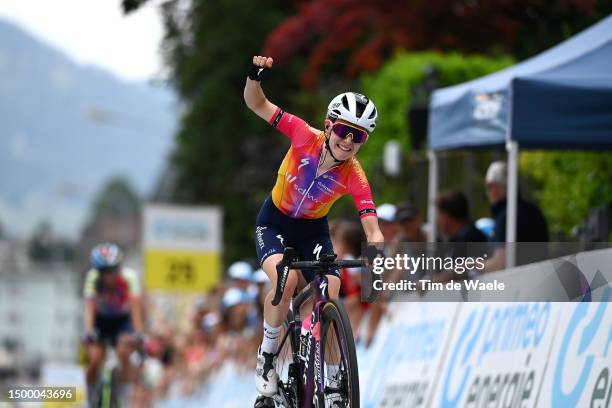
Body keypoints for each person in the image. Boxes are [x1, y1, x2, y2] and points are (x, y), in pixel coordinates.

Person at [244, 55, 384, 399]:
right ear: (328, 125)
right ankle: (267, 355)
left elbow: (371, 223)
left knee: (331, 287)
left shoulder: (354, 173)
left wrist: (376, 249)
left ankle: (333, 377)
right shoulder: (302, 135)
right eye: (343, 130)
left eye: (359, 137)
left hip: (312, 230)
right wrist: (254, 76)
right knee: (287, 279)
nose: (349, 141)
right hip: (274, 222)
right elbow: (256, 103)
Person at [83, 243, 144, 389]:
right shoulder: (92, 278)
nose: (108, 276)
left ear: (119, 267)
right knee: (95, 359)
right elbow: (90, 308)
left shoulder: (129, 277)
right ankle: (89, 396)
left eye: (112, 270)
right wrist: (89, 332)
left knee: (124, 354)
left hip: (122, 321)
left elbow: (135, 309)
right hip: (101, 320)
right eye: (103, 271)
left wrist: (139, 334)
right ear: (97, 270)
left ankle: (124, 393)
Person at [484, 161, 549, 271]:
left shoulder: (505, 217)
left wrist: (472, 265)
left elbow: (500, 264)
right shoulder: (535, 212)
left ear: (494, 187)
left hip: (516, 284)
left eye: (487, 187)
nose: (487, 193)